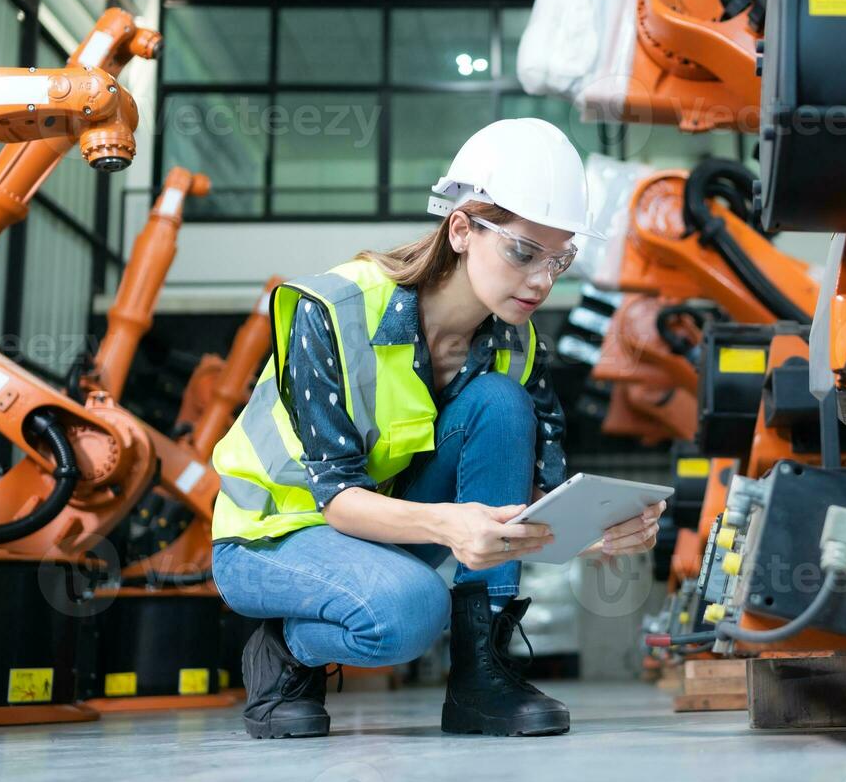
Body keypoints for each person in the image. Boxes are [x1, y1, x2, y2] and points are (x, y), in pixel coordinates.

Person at [208, 118, 664, 739]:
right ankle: (288, 651)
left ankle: (482, 676)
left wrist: (587, 532)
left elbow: (524, 508)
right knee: (410, 610)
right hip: (270, 536)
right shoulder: (333, 310)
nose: (541, 280)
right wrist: (448, 524)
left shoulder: (516, 346)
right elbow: (336, 497)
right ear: (460, 229)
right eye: (523, 252)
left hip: (385, 528)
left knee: (501, 403)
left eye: (559, 259)